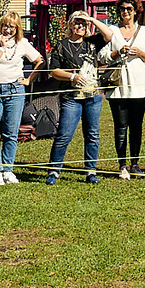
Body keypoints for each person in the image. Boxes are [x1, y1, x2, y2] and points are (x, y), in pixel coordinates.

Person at [41, 12, 110, 184]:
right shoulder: (61, 46)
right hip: (71, 97)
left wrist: (92, 19)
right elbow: (53, 71)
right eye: (77, 23)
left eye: (83, 24)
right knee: (64, 134)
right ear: (70, 25)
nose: (80, 27)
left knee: (92, 134)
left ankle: (91, 171)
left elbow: (109, 35)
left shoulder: (92, 42)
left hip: (93, 96)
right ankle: (54, 171)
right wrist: (72, 77)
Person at [0, 12, 41, 186]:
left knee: (10, 132)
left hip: (15, 90)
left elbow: (39, 61)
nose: (7, 30)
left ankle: (8, 170)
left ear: (17, 28)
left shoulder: (23, 43)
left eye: (12, 27)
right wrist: (2, 48)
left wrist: (28, 80)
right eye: (5, 25)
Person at [104, 0, 145, 179]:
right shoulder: (112, 31)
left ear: (136, 11)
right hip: (117, 86)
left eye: (129, 8)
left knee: (136, 126)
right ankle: (122, 165)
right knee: (120, 126)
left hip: (139, 86)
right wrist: (117, 52)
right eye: (122, 8)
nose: (125, 12)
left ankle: (135, 164)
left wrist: (141, 53)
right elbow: (102, 55)